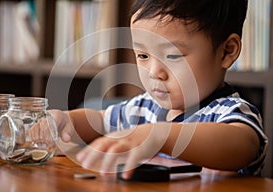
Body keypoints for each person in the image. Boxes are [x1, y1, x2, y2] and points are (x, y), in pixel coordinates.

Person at [49, 0, 268, 179]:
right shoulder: (145, 108)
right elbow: (99, 119)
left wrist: (158, 135)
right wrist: (65, 121)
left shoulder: (231, 112)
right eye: (143, 56)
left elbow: (243, 145)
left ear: (226, 51)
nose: (154, 72)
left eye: (172, 55)